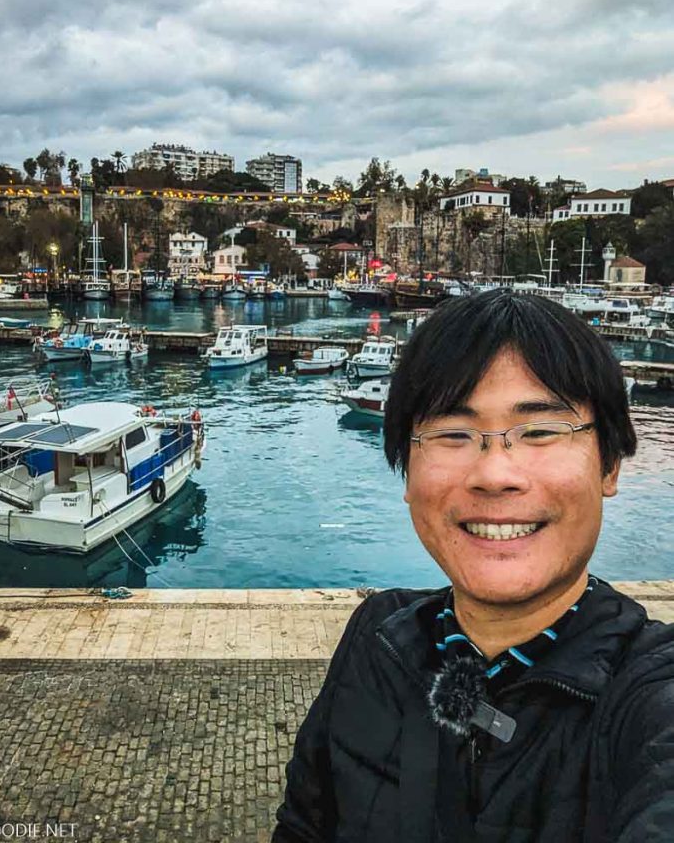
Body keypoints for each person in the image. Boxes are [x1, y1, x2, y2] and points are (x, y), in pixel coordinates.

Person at [273, 290, 674, 842]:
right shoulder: (378, 640)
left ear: (608, 464)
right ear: (408, 475)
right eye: (453, 433)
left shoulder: (650, 698)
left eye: (539, 431)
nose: (494, 474)